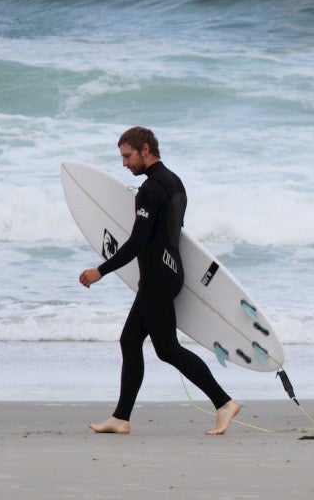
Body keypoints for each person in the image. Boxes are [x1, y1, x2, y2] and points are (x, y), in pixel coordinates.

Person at [79, 126, 240, 435]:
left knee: (167, 350)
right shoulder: (173, 181)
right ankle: (120, 417)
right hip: (166, 273)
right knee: (130, 341)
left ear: (145, 150)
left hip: (157, 278)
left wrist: (101, 271)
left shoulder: (151, 190)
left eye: (127, 156)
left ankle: (224, 402)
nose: (124, 164)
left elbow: (138, 242)